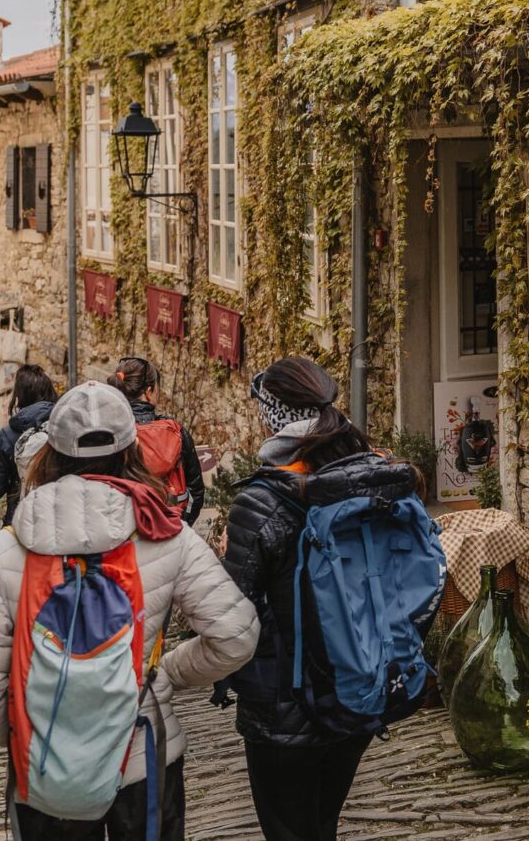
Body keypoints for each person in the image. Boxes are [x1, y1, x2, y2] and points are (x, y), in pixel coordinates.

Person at [0, 380, 258, 841]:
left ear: (50, 452)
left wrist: (34, 731)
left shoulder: (5, 549)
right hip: (143, 758)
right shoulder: (168, 536)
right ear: (134, 450)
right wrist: (167, 673)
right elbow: (235, 635)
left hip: (47, 771)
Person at [221, 358, 422, 841]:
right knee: (322, 824)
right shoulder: (372, 479)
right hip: (359, 686)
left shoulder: (263, 502)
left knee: (289, 830)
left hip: (284, 703)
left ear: (273, 417)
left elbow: (230, 613)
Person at [109, 357, 206, 525]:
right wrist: (183, 524)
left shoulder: (110, 431)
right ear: (148, 391)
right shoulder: (177, 432)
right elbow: (196, 490)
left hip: (124, 529)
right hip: (171, 524)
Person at [0, 364, 56, 525]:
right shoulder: (64, 425)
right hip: (60, 517)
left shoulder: (8, 435)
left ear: (19, 396)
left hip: (20, 517)